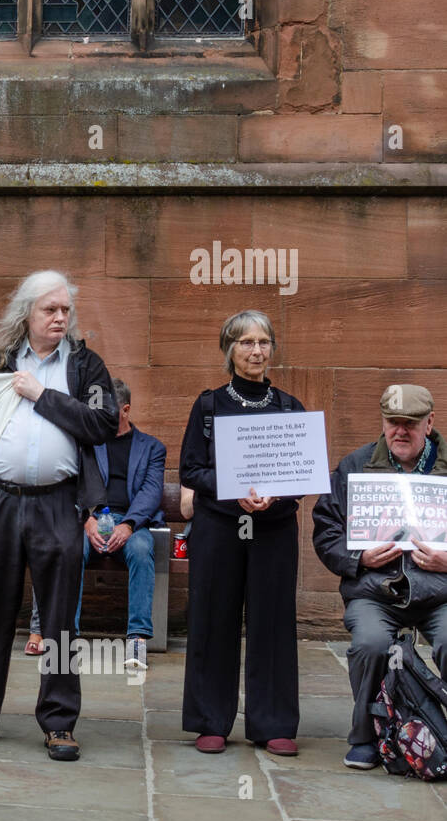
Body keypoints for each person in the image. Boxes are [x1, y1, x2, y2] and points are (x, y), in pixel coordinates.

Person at [0, 270, 118, 762]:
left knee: (58, 619)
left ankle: (59, 723)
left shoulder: (85, 365)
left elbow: (102, 424)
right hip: (2, 502)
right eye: (49, 310)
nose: (60, 318)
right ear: (26, 314)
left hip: (59, 502)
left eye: (65, 310)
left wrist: (41, 395)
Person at [179, 310, 305, 756]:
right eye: (246, 342)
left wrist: (274, 498)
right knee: (214, 618)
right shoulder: (209, 405)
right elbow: (191, 469)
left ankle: (272, 722)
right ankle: (210, 719)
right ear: (229, 350)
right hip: (218, 527)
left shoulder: (290, 407)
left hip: (273, 530)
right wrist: (235, 489)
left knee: (273, 620)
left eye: (264, 342)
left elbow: (301, 475)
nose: (256, 351)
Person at [312, 383, 447, 770]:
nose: (400, 431)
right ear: (382, 422)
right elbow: (326, 530)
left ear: (430, 422)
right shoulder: (355, 466)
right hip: (375, 590)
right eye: (393, 422)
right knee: (370, 643)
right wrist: (359, 558)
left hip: (440, 590)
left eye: (411, 423)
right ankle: (365, 737)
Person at [28, 377, 166, 669]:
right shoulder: (86, 443)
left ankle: (138, 640)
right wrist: (86, 519)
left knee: (142, 551)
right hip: (91, 520)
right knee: (69, 550)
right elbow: (72, 484)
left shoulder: (152, 448)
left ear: (125, 410)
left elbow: (151, 492)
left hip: (131, 524)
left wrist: (127, 525)